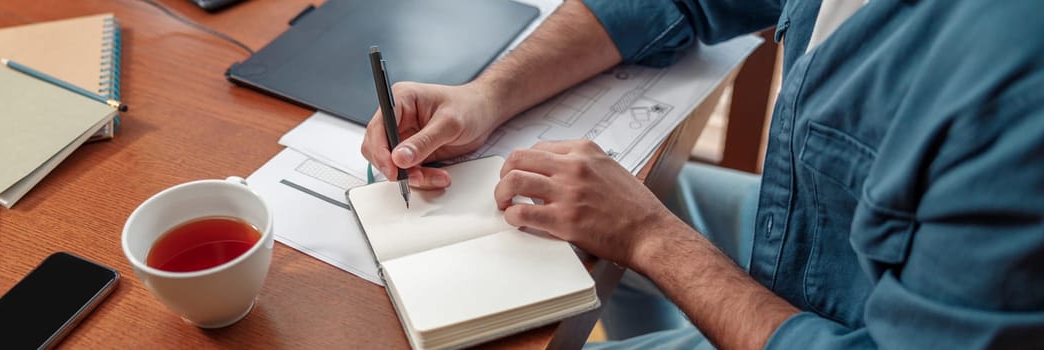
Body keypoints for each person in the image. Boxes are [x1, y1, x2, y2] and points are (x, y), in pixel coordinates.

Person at [360, 0, 1044, 348]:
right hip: (818, 240)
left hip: (850, 320)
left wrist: (651, 239)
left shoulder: (1015, 91)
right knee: (656, 191)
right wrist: (490, 95)